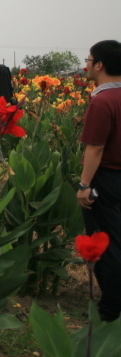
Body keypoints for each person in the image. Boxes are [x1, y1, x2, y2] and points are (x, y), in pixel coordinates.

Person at [77, 40, 121, 322]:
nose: (86, 64)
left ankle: (110, 309)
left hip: (106, 179)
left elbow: (95, 148)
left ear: (100, 65)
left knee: (107, 243)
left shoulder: (102, 101)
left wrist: (84, 186)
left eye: (89, 59)